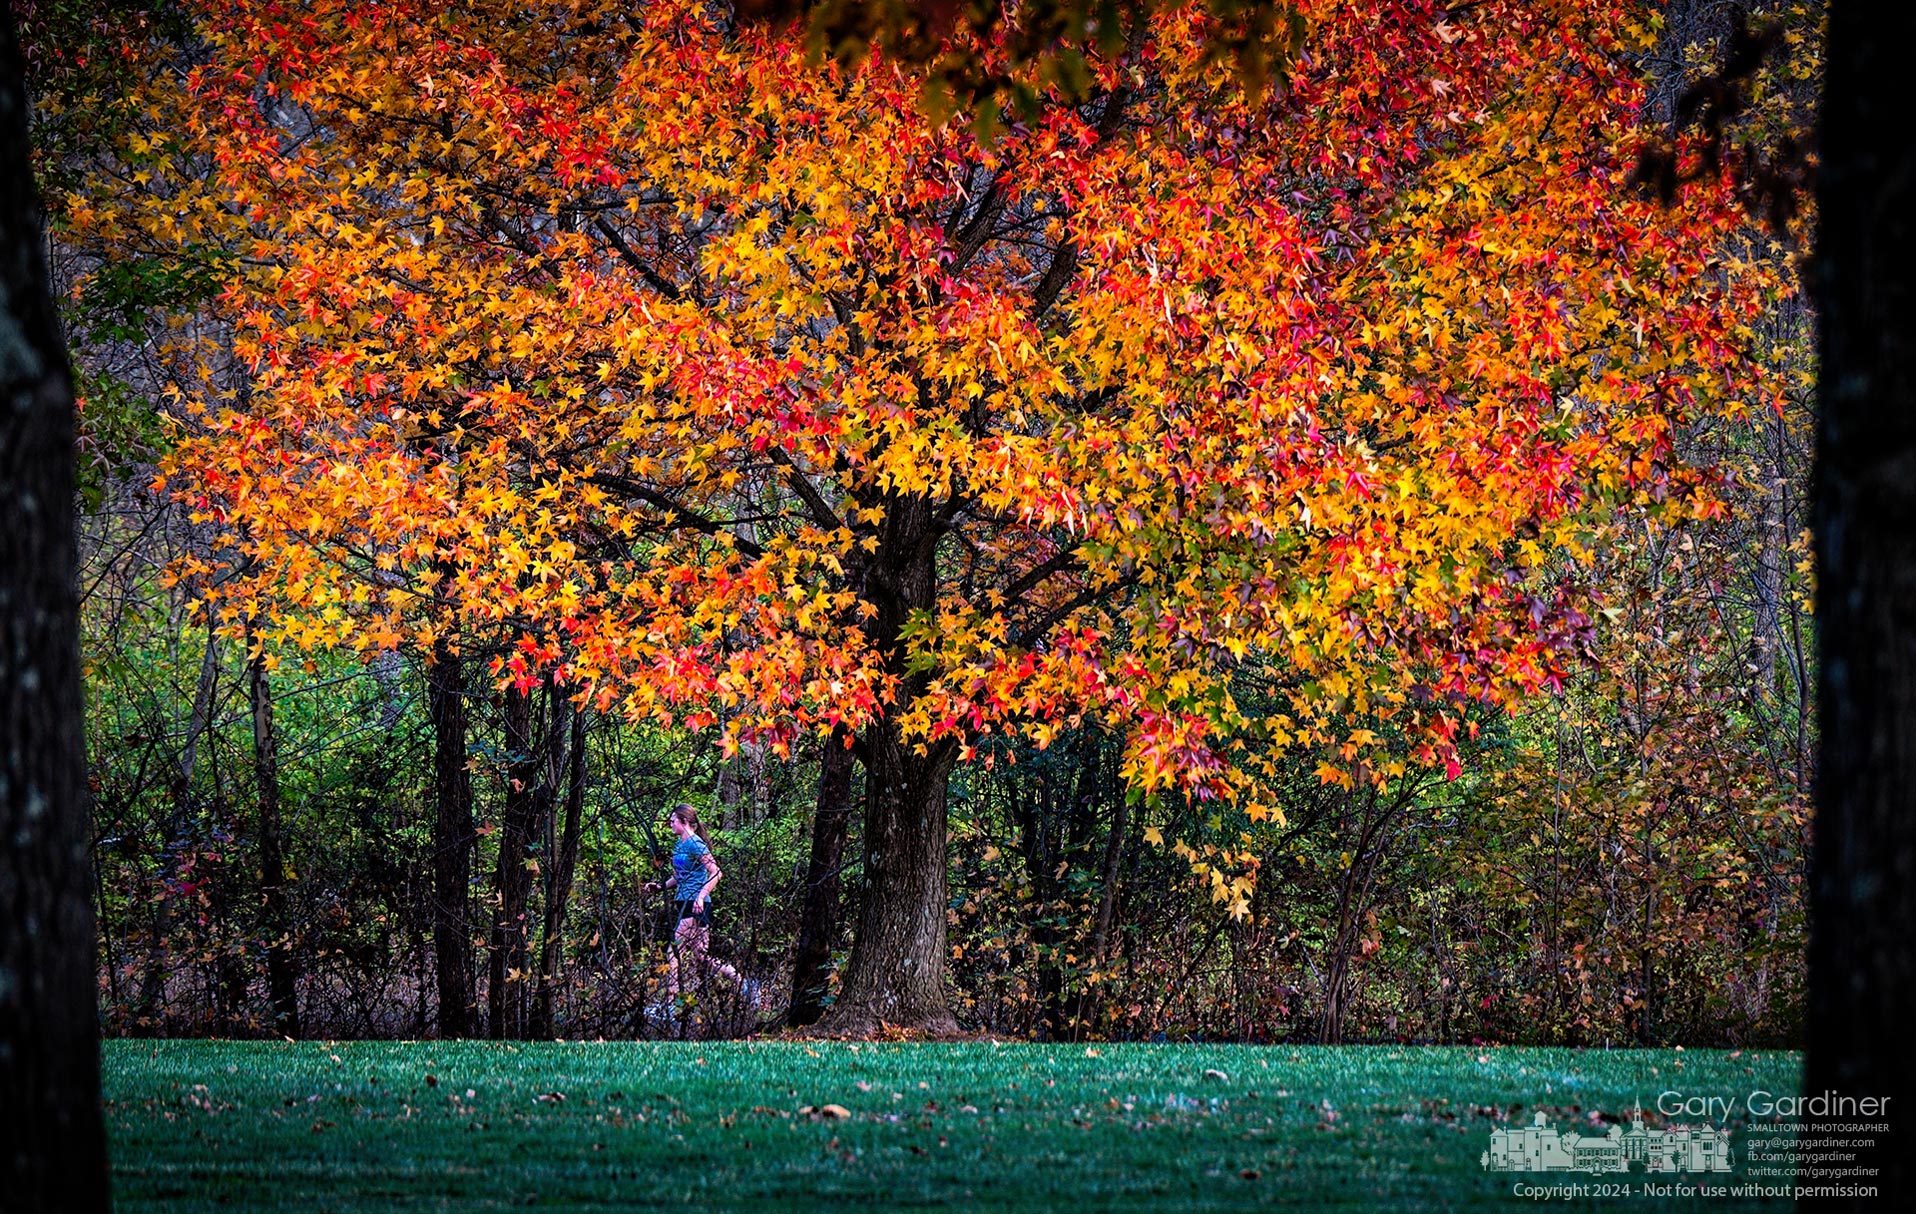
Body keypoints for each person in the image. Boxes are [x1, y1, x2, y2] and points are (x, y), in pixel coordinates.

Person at [642, 803, 750, 1006]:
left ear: (684, 821)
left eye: (673, 821)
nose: (670, 824)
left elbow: (716, 872)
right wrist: (660, 887)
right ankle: (743, 984)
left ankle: (671, 1005)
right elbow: (679, 876)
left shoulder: (696, 844)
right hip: (684, 901)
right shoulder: (680, 845)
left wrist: (701, 896)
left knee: (674, 952)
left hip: (696, 903)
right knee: (701, 957)